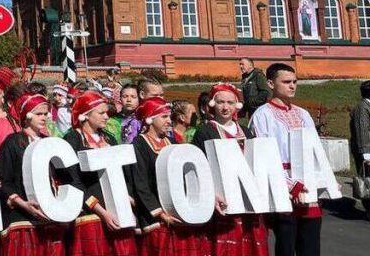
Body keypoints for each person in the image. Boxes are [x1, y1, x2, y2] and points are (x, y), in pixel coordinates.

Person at [249, 63, 320, 256]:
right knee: (286, 244)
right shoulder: (262, 115)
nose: (292, 86)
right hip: (282, 187)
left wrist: (323, 179)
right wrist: (288, 184)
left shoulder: (303, 114)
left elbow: (316, 151)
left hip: (308, 186)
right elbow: (262, 156)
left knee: (311, 245)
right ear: (271, 83)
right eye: (286, 82)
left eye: (295, 82)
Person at [191, 83, 269, 256]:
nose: (225, 107)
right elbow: (199, 169)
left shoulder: (246, 132)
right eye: (220, 102)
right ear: (213, 104)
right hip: (222, 200)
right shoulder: (205, 132)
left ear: (237, 105)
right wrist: (210, 194)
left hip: (247, 199)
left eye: (230, 103)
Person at [130, 96, 209, 256]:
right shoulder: (139, 145)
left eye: (169, 116)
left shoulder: (171, 142)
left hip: (178, 214)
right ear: (150, 119)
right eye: (164, 117)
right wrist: (161, 213)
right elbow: (140, 183)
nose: (169, 121)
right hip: (157, 218)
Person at [63, 91, 136, 256]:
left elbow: (123, 175)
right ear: (86, 115)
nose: (106, 117)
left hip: (117, 211)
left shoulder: (109, 139)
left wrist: (128, 197)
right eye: (101, 113)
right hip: (90, 213)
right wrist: (101, 211)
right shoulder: (73, 139)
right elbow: (73, 181)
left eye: (107, 113)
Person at [0, 93, 67, 256]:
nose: (44, 118)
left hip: (48, 216)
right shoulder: (12, 142)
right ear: (27, 116)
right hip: (21, 216)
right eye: (39, 114)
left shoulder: (48, 142)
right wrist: (23, 204)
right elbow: (4, 181)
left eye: (45, 114)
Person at [350, 80, 370, 218]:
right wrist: (367, 155)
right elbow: (362, 132)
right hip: (366, 151)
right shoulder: (362, 108)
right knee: (367, 182)